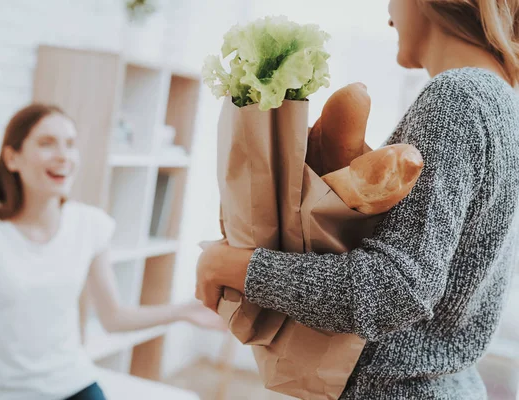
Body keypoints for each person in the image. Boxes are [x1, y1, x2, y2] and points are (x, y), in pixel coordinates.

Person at [195, 0, 519, 399]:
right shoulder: (502, 104)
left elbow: (398, 289)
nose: (387, 9)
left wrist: (235, 266)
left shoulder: (458, 98)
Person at [0, 103, 225, 400]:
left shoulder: (89, 225)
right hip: (2, 391)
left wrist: (183, 311)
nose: (64, 156)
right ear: (12, 158)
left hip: (72, 381)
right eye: (47, 143)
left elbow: (114, 317)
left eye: (70, 144)